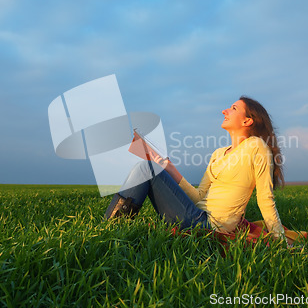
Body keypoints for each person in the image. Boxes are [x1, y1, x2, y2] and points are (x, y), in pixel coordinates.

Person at [104, 96, 288, 243]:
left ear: (248, 121)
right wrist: (171, 169)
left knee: (146, 167)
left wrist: (280, 238)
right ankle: (113, 230)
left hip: (209, 225)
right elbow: (200, 196)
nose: (224, 111)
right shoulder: (218, 153)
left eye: (233, 108)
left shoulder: (256, 146)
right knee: (147, 167)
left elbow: (265, 197)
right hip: (195, 214)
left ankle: (108, 230)